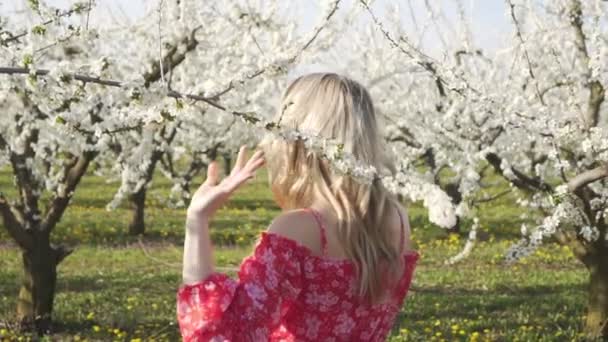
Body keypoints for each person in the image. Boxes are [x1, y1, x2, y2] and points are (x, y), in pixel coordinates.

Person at [177, 73, 418, 341]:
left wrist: (197, 220)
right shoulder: (396, 218)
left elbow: (225, 335)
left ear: (297, 142)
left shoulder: (301, 229)